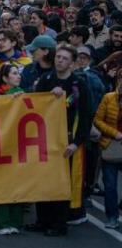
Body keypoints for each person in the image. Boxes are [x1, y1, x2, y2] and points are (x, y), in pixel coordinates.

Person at [28, 44, 94, 236]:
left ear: (72, 64)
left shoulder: (79, 84)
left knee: (61, 182)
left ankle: (59, 223)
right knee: (43, 180)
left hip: (67, 141)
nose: (60, 61)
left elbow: (85, 115)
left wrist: (77, 142)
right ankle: (43, 220)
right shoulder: (46, 80)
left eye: (65, 59)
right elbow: (33, 106)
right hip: (45, 140)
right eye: (58, 57)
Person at [0, 64, 26, 235]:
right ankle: (3, 222)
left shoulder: (23, 93)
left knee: (18, 183)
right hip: (0, 144)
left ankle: (16, 222)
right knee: (2, 183)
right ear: (5, 78)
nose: (18, 76)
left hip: (18, 145)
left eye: (18, 73)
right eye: (14, 73)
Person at [93, 76, 122, 229]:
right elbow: (97, 120)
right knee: (110, 185)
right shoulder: (109, 98)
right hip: (110, 145)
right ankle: (112, 216)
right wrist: (114, 133)